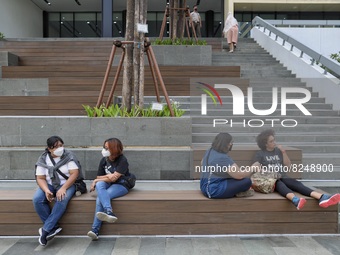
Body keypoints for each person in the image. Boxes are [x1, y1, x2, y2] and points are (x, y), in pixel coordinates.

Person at [252, 129, 340, 210]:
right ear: (265, 144)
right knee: (280, 184)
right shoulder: (260, 154)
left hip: (282, 176)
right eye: (271, 141)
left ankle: (322, 197)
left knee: (296, 184)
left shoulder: (278, 151)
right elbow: (256, 167)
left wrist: (283, 152)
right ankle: (295, 200)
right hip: (271, 180)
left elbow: (288, 164)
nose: (274, 143)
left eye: (274, 140)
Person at [33, 136, 80, 246]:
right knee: (37, 199)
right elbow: (40, 178)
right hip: (49, 185)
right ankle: (53, 227)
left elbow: (74, 173)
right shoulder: (43, 159)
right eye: (56, 147)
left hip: (67, 184)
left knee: (61, 198)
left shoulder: (68, 156)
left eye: (61, 145)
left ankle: (45, 231)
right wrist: (46, 190)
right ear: (49, 149)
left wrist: (63, 188)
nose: (60, 148)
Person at [87, 138, 132, 241]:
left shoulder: (122, 160)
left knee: (100, 198)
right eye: (104, 147)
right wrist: (97, 180)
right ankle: (109, 211)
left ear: (114, 148)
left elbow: (114, 178)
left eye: (106, 148)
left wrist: (98, 180)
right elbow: (100, 177)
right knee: (99, 185)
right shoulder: (104, 160)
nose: (104, 149)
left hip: (121, 185)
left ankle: (95, 230)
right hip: (107, 184)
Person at [200, 133, 259, 199]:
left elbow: (202, 163)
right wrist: (253, 167)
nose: (231, 144)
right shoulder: (222, 158)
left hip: (204, 186)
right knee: (247, 181)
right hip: (214, 190)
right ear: (226, 144)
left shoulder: (209, 151)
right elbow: (240, 175)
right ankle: (237, 193)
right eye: (230, 142)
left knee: (233, 178)